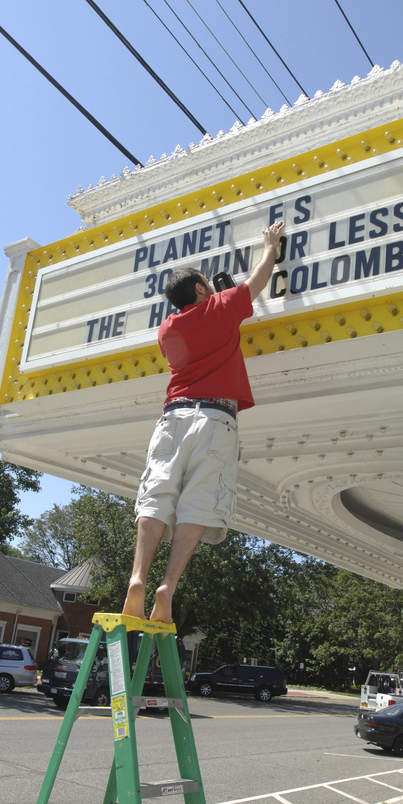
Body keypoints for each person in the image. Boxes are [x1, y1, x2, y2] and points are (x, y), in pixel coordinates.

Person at [122, 220, 285, 624]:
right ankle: (168, 586)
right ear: (199, 288)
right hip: (215, 419)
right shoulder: (221, 305)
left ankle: (138, 577)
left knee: (157, 495)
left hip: (173, 416)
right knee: (197, 503)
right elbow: (259, 280)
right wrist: (270, 247)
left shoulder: (167, 328)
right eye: (204, 283)